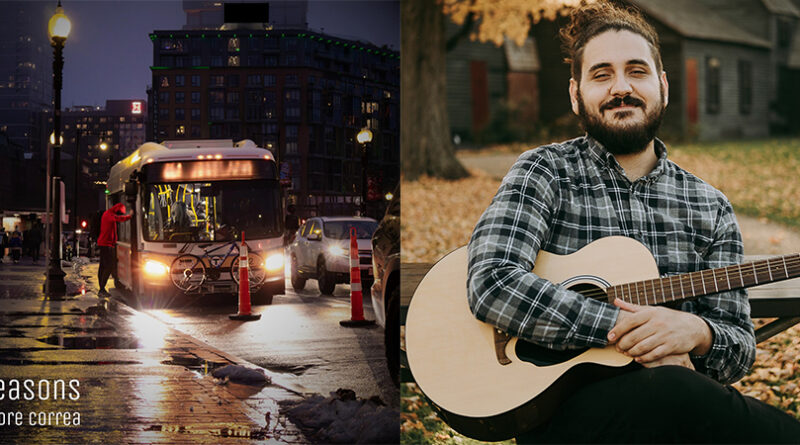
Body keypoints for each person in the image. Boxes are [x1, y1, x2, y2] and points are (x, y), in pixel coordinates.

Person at [466, 2, 800, 443]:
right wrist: (626, 331)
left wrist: (697, 333)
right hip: (560, 409)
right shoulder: (544, 172)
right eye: (601, 74)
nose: (621, 87)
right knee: (679, 389)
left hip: (682, 417)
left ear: (663, 85)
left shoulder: (709, 205)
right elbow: (492, 280)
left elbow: (737, 348)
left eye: (636, 71)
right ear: (575, 93)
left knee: (678, 391)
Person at [97, 203, 132, 297]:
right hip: (106, 244)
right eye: (120, 212)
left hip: (104, 243)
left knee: (103, 266)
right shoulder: (109, 215)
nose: (120, 214)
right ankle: (101, 289)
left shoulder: (107, 214)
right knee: (109, 266)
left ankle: (102, 288)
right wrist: (130, 216)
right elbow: (119, 219)